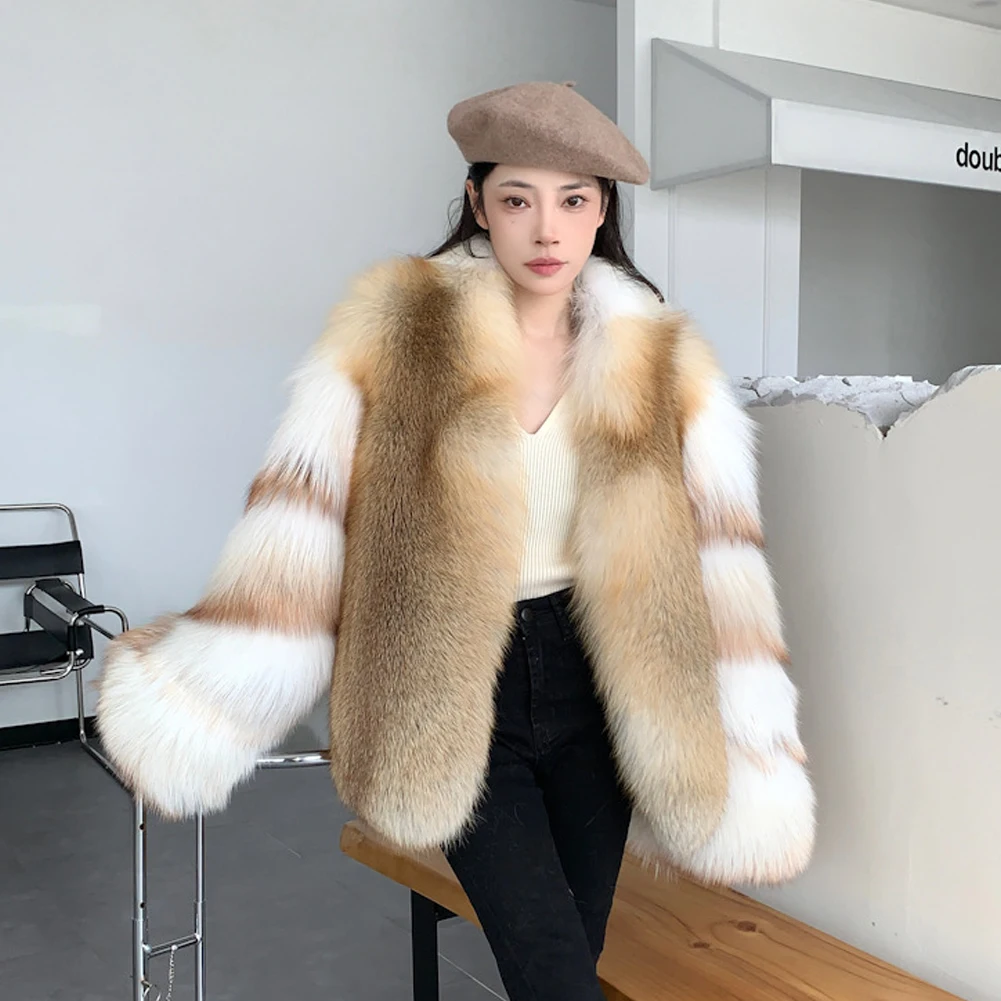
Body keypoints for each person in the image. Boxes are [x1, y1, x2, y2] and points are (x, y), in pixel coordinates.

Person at [95, 81, 815, 999]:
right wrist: (205, 685)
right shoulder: (398, 327)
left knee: (570, 955)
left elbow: (722, 559)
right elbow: (302, 513)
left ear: (602, 211)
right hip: (448, 680)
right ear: (477, 203)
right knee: (554, 972)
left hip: (607, 685)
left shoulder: (661, 359)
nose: (546, 230)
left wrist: (753, 738)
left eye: (572, 201)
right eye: (518, 200)